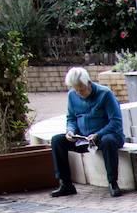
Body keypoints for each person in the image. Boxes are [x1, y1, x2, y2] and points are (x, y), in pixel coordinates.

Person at [50, 67, 125, 197]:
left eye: (82, 89)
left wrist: (98, 134)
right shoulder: (72, 96)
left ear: (88, 83)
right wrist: (70, 131)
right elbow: (71, 118)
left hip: (104, 136)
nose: (79, 93)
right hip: (83, 138)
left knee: (109, 141)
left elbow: (116, 122)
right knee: (57, 140)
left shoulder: (105, 94)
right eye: (76, 89)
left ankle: (113, 182)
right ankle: (65, 184)